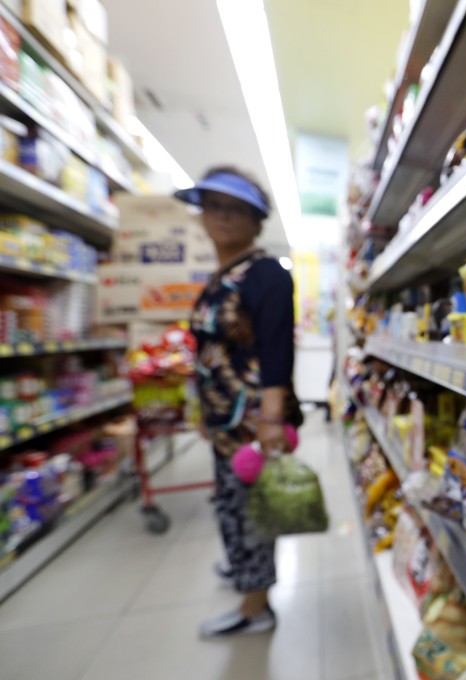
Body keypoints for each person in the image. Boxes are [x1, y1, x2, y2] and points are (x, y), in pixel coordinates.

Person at [176, 166, 301, 637]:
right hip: (223, 419)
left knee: (252, 511)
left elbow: (275, 349)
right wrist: (202, 412)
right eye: (213, 206)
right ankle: (243, 574)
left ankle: (257, 607)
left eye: (235, 209)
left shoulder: (265, 273)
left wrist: (271, 417)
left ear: (256, 220)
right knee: (231, 505)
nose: (222, 216)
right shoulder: (219, 276)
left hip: (252, 422)